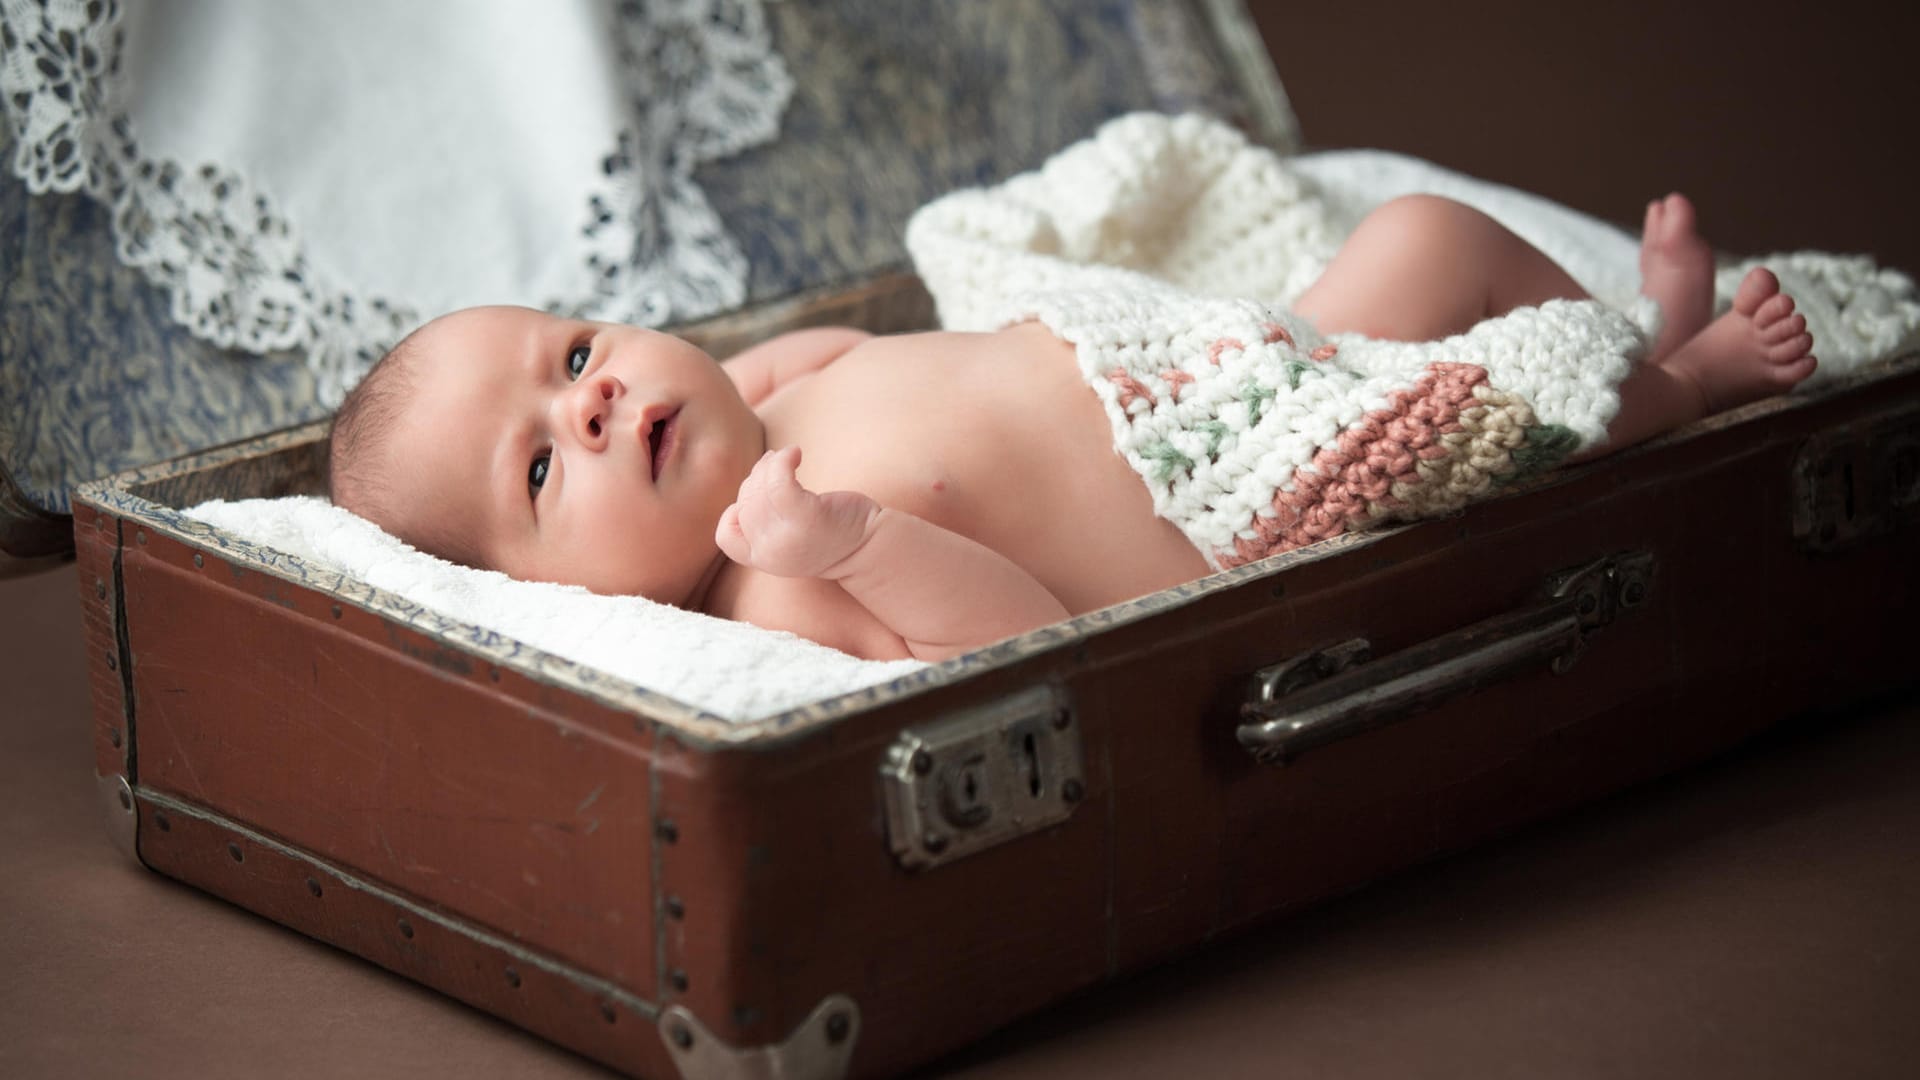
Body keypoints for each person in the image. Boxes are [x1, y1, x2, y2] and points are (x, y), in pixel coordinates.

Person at [327, 192, 1815, 662]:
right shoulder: (775, 586)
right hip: (1276, 488)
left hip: (1234, 376)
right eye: (540, 465)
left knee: (1426, 233)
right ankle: (1687, 388)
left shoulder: (761, 392)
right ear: (547, 608)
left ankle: (1637, 321)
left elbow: (920, 354)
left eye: (572, 348)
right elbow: (1023, 640)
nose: (589, 398)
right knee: (1509, 415)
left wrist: (775, 376)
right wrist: (855, 538)